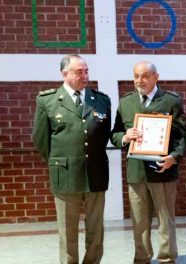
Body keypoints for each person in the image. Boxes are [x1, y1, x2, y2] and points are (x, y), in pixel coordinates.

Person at [32, 54, 111, 264]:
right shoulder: (47, 100)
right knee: (67, 230)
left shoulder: (102, 100)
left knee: (96, 228)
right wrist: (60, 161)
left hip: (96, 172)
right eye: (79, 72)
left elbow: (103, 136)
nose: (85, 75)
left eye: (86, 71)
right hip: (65, 174)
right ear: (64, 74)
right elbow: (41, 139)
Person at [110, 61, 186, 264]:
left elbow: (182, 137)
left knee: (165, 220)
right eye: (136, 76)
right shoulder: (126, 102)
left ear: (156, 77)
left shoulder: (171, 101)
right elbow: (115, 134)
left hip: (163, 169)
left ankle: (167, 258)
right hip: (136, 172)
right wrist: (125, 137)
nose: (139, 80)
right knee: (139, 221)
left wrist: (174, 157)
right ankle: (142, 258)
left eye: (144, 76)